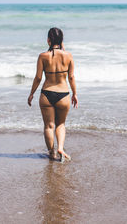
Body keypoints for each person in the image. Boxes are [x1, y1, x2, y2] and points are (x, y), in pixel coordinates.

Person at [28, 27, 78, 162]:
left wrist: (31, 93)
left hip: (46, 94)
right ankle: (60, 147)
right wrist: (75, 94)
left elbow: (38, 78)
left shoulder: (42, 56)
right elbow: (71, 77)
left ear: (48, 40)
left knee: (49, 126)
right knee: (60, 124)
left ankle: (52, 153)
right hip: (63, 94)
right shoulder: (68, 56)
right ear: (62, 40)